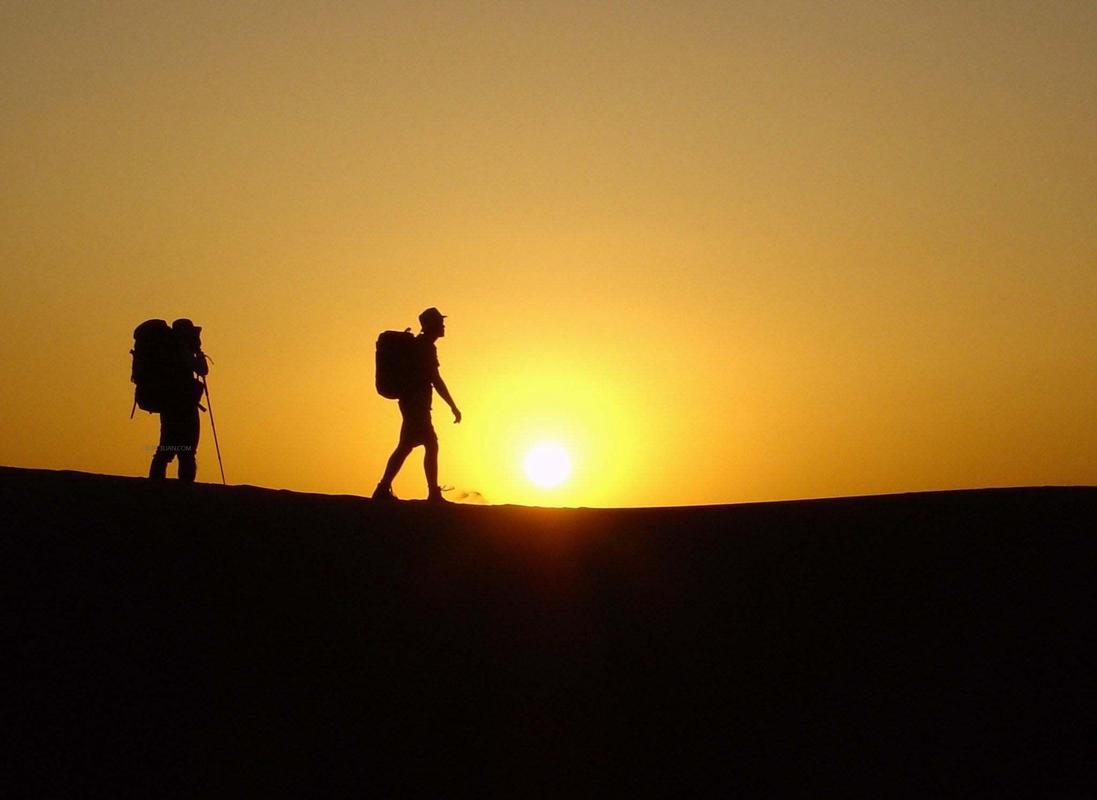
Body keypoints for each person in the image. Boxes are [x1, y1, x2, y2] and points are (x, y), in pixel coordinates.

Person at [373, 307, 461, 502]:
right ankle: (432, 493)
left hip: (413, 403)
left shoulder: (422, 346)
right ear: (431, 325)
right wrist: (452, 406)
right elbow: (435, 379)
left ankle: (383, 487)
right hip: (416, 404)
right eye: (440, 322)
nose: (443, 325)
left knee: (406, 446)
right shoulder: (425, 348)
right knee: (430, 444)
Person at [149, 318, 208, 482]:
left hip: (170, 406)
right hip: (184, 407)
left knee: (167, 448)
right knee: (186, 451)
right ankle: (184, 490)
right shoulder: (182, 350)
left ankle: (155, 486)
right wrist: (198, 353)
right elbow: (203, 369)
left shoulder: (166, 351)